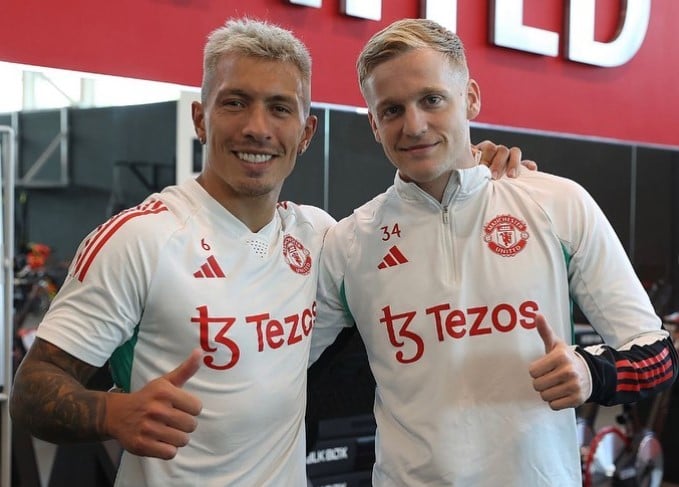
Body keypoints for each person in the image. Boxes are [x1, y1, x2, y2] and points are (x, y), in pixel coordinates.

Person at [9, 17, 528, 487]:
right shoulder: (138, 239)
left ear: (306, 132)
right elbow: (32, 391)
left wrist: (478, 171)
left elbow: (426, 232)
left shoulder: (319, 238)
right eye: (235, 102)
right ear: (200, 119)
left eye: (279, 108)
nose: (257, 127)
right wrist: (109, 414)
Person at [310, 18, 679, 486]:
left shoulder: (557, 204)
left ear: (471, 98)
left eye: (432, 99)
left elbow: (658, 355)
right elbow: (276, 368)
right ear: (374, 125)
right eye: (392, 110)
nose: (414, 125)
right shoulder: (348, 242)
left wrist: (592, 373)